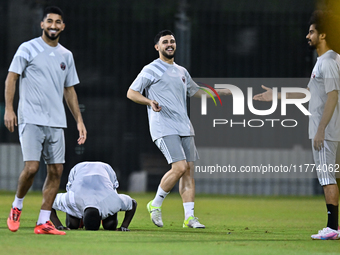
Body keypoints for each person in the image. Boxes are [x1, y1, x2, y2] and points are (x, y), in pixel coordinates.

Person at [127, 30, 230, 228]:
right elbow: (131, 92)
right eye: (165, 42)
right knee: (179, 167)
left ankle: (189, 217)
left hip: (184, 126)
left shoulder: (182, 71)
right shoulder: (151, 68)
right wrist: (149, 101)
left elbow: (196, 91)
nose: (170, 44)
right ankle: (155, 204)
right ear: (157, 47)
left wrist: (221, 92)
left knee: (188, 171)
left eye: (172, 41)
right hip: (163, 126)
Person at [253, 11, 340, 240]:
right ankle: (334, 226)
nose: (307, 36)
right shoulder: (325, 61)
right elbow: (308, 93)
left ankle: (332, 228)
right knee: (329, 176)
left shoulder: (328, 61)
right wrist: (276, 95)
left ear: (323, 35)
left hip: (327, 131)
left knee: (327, 177)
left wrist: (321, 129)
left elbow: (333, 96)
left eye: (311, 32)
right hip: (329, 129)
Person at [5, 6, 87, 235]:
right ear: (42, 24)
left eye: (57, 22)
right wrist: (9, 110)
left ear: (62, 26)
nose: (53, 25)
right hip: (30, 118)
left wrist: (79, 121)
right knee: (31, 168)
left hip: (57, 122)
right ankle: (17, 206)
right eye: (49, 21)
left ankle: (43, 221)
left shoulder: (66, 55)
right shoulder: (27, 48)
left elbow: (69, 90)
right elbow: (11, 79)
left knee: (56, 171)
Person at [50, 161, 137, 231]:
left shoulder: (112, 201)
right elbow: (133, 203)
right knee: (72, 225)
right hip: (79, 170)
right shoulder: (72, 199)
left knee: (110, 225)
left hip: (105, 171)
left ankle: (77, 218)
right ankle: (76, 218)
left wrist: (124, 226)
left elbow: (133, 203)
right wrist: (58, 226)